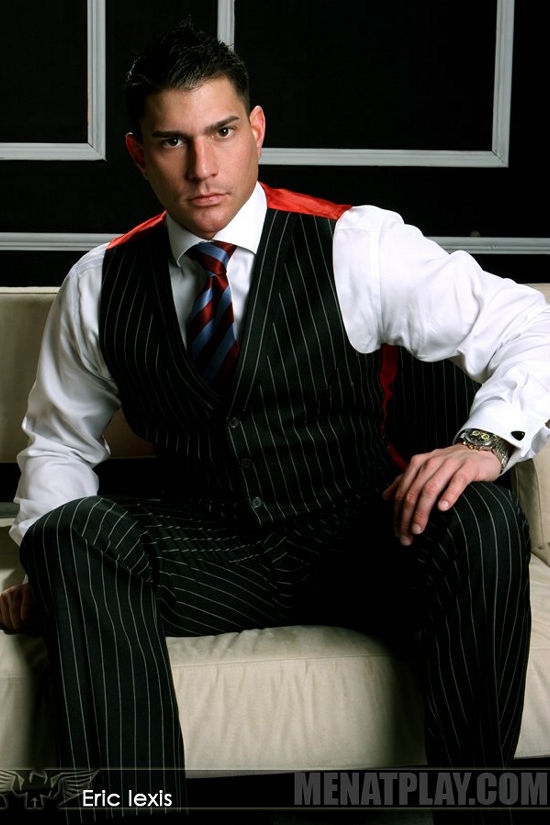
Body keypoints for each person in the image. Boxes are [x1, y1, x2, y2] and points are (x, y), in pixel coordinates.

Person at [1, 19, 549, 825]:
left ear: (256, 129)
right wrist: (43, 565)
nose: (203, 167)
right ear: (139, 153)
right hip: (212, 549)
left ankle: (477, 813)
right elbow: (57, 444)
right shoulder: (99, 283)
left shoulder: (353, 244)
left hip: (362, 535)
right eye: (174, 141)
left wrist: (482, 441)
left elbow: (529, 325)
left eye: (222, 132)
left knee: (484, 515)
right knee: (69, 534)